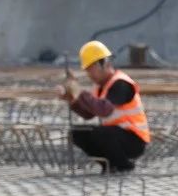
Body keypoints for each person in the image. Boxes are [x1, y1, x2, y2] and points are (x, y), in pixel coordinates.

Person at [56, 40, 150, 173]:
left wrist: (80, 92)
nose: (89, 74)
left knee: (102, 133)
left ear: (104, 63)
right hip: (116, 136)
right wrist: (72, 100)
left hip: (134, 140)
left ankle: (124, 166)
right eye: (87, 70)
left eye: (91, 69)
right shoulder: (99, 87)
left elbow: (104, 110)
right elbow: (89, 114)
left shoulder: (121, 84)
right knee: (78, 133)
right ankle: (108, 164)